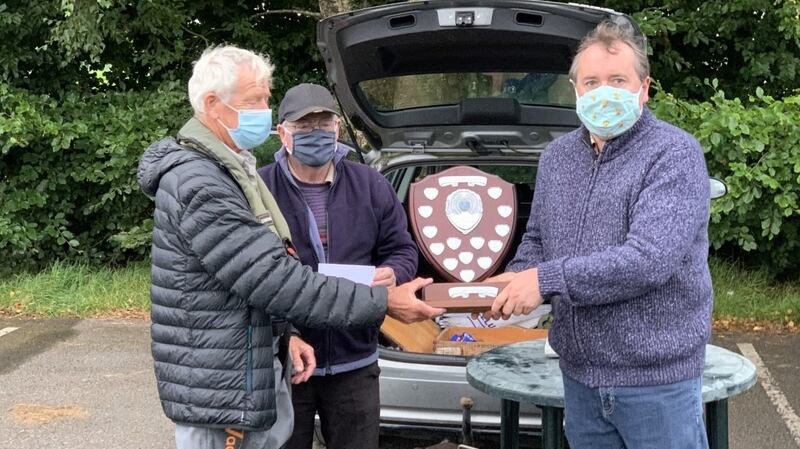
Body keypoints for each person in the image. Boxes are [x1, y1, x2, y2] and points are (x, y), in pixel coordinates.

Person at [136, 46, 444, 449]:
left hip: (284, 364)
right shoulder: (203, 183)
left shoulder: (237, 173)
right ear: (213, 104)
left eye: (266, 98)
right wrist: (382, 302)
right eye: (256, 100)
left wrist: (283, 334)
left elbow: (253, 280)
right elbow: (273, 278)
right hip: (225, 389)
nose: (264, 109)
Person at [486, 21, 712, 449]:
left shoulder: (674, 154)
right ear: (575, 90)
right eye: (591, 81)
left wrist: (544, 282)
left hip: (655, 385)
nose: (603, 91)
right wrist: (515, 279)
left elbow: (648, 260)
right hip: (580, 380)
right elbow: (538, 237)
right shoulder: (556, 157)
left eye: (618, 80)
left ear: (643, 89)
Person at [258, 83, 418, 449]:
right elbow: (254, 276)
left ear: (338, 130)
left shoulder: (371, 184)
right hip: (286, 362)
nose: (316, 133)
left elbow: (404, 250)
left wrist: (394, 272)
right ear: (283, 134)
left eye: (323, 124)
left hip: (355, 361)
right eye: (303, 127)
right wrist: (286, 334)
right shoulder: (261, 189)